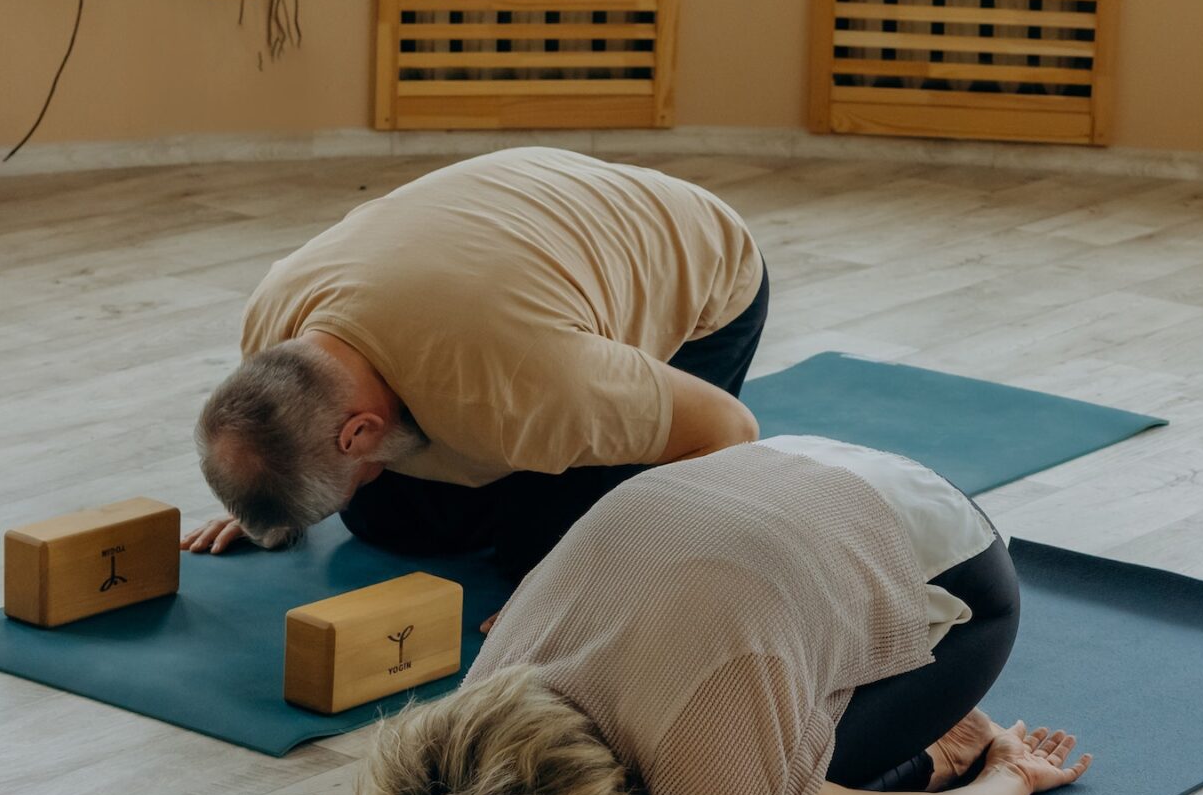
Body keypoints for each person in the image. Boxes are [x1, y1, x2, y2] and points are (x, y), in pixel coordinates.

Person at [332, 434, 1089, 795]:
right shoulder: (482, 699)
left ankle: (941, 743)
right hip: (789, 461)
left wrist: (1012, 777)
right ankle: (834, 686)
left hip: (954, 556)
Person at [185, 147, 768, 579]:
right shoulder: (273, 320)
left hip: (698, 260)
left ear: (358, 430)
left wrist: (582, 587)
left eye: (354, 464)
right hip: (518, 220)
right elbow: (271, 439)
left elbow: (729, 429)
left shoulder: (525, 383)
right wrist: (272, 502)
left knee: (539, 555)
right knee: (385, 520)